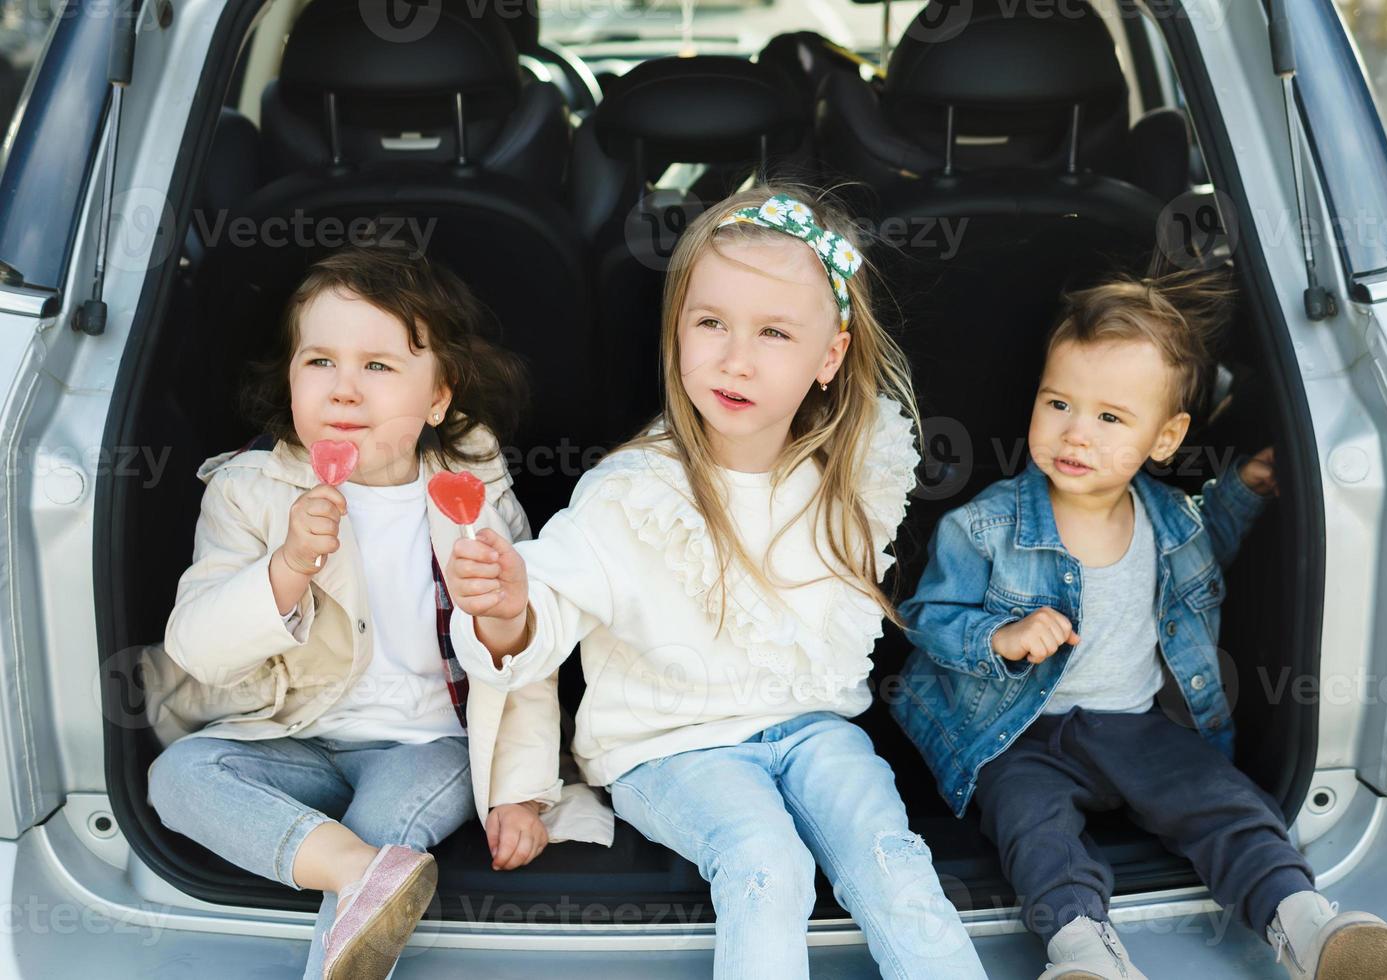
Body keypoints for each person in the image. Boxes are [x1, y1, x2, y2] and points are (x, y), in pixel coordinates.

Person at [444, 187, 987, 978]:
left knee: (891, 857)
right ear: (677, 332)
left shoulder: (852, 474)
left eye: (773, 332)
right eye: (711, 324)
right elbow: (540, 623)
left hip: (813, 731)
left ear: (828, 358)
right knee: (766, 863)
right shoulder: (632, 491)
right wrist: (506, 606)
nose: (736, 358)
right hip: (668, 749)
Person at [891, 268, 1387, 979]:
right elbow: (926, 620)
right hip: (1018, 733)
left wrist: (1246, 492)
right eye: (1058, 403)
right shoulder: (984, 526)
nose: (1076, 433)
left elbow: (1205, 560)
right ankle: (1083, 951)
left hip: (1136, 726)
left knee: (1225, 804)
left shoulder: (1168, 521)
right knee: (1032, 829)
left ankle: (1304, 920)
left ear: (1165, 438)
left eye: (1110, 418)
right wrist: (1000, 640)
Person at [144, 245, 611, 980]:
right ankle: (361, 871)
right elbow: (197, 648)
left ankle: (357, 882)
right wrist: (288, 566)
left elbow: (528, 661)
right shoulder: (248, 489)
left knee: (385, 819)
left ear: (437, 399)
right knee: (177, 775)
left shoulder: (472, 492)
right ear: (291, 379)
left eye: (378, 367)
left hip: (429, 744)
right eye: (319, 362)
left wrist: (520, 790)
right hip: (294, 734)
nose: (343, 390)